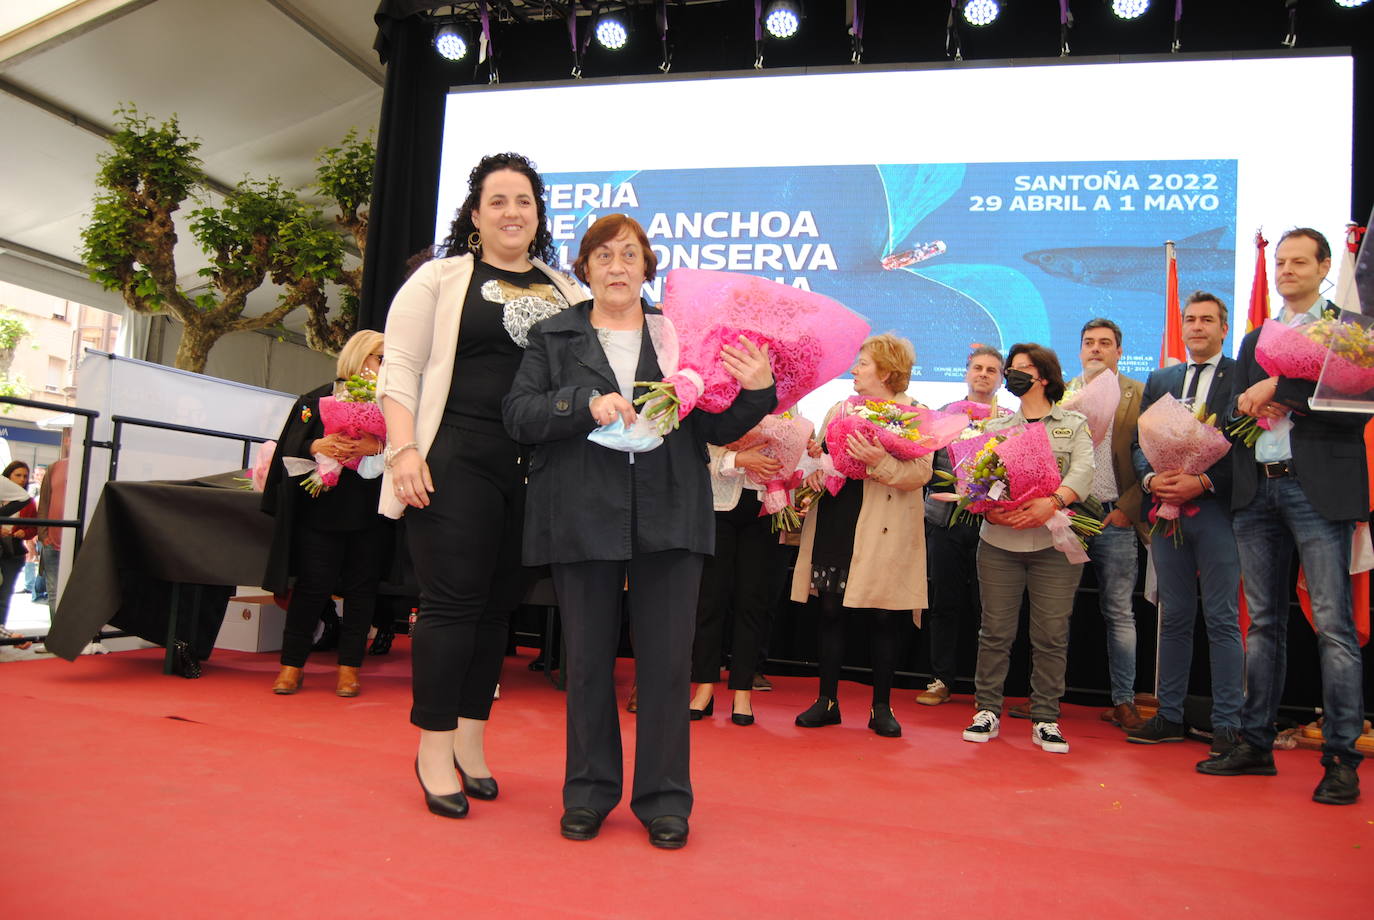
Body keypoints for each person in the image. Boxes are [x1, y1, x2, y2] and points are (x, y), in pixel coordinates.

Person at [504, 214, 775, 849]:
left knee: (665, 666)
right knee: (589, 664)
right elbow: (518, 415)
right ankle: (588, 792)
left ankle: (663, 799)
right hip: (581, 514)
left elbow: (711, 425)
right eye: (603, 255)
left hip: (671, 513)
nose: (618, 266)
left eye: (630, 254)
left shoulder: (682, 336)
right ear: (586, 268)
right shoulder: (553, 335)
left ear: (647, 266)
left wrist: (758, 392)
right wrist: (581, 404)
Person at [380, 153, 587, 820]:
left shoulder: (568, 293)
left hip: (538, 470)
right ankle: (433, 746)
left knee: (499, 609)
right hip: (453, 458)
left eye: (523, 200)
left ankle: (470, 740)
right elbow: (401, 369)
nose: (510, 212)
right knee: (452, 605)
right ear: (475, 215)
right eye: (497, 201)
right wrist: (403, 449)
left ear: (538, 214)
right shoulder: (439, 281)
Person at [1199, 228, 1366, 805]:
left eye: (1300, 261)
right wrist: (1251, 398)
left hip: (1317, 491)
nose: (1288, 269)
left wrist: (1283, 388)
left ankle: (1342, 756)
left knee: (1333, 625)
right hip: (1257, 492)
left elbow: (1354, 409)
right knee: (1264, 624)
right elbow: (1229, 413)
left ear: (1325, 268)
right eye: (1281, 261)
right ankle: (1254, 743)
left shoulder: (1347, 330)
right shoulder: (1255, 337)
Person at [792, 334, 933, 739]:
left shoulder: (916, 414)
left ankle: (882, 707)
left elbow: (920, 474)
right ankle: (827, 701)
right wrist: (815, 466)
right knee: (831, 611)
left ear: (886, 372)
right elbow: (820, 457)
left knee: (885, 617)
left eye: (863, 363)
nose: (854, 369)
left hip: (885, 523)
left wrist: (881, 461)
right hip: (838, 515)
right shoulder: (840, 407)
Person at [962, 343, 1093, 754]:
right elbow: (975, 481)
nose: (1013, 376)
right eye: (1012, 370)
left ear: (1046, 378)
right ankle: (987, 708)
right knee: (995, 631)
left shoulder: (1072, 424)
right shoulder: (997, 426)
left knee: (1051, 634)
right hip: (1000, 543)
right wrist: (987, 510)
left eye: (1023, 369)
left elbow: (1085, 471)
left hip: (1054, 543)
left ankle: (1046, 717)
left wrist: (1053, 501)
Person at [1128, 292, 1243, 756]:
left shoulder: (1242, 375)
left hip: (1216, 511)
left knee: (1222, 618)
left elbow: (1246, 444)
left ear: (1223, 328)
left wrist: (1204, 481)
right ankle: (1169, 715)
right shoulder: (1162, 378)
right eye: (1190, 319)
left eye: (1207, 320)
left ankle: (1229, 724)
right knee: (1172, 616)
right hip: (1166, 509)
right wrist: (1153, 477)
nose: (1197, 327)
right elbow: (1140, 441)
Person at [261, 330, 388, 697]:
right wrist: (320, 443)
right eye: (382, 358)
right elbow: (291, 444)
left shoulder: (395, 403)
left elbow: (407, 448)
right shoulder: (316, 399)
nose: (387, 366)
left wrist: (376, 444)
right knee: (312, 589)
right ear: (359, 357)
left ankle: (349, 669)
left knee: (363, 590)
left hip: (370, 509)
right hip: (321, 509)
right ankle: (291, 666)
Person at [1041, 319, 1146, 730]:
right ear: (1080, 350)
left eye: (1105, 343)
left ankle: (1123, 701)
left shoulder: (1140, 393)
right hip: (1069, 516)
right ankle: (1047, 700)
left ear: (1119, 351)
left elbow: (1149, 455)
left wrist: (1128, 507)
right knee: (1055, 611)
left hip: (1116, 516)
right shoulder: (1060, 395)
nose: (1096, 349)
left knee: (1119, 611)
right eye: (1089, 343)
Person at [920, 345, 1009, 706]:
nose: (984, 374)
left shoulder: (1010, 421)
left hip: (993, 524)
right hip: (947, 522)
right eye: (978, 368)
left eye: (992, 370)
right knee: (945, 601)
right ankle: (940, 679)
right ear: (966, 373)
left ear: (1002, 379)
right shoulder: (943, 415)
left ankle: (986, 688)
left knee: (989, 608)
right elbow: (928, 469)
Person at [688, 437, 786, 726]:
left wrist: (805, 456)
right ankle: (704, 686)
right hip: (718, 504)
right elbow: (698, 446)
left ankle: (743, 691)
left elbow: (791, 450)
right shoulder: (718, 395)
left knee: (752, 602)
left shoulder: (783, 402)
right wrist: (737, 459)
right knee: (710, 600)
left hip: (764, 506)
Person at [0, 461, 38, 648]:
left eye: (25, 476)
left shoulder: (28, 501)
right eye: (18, 475)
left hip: (13, 551)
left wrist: (24, 532)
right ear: (8, 476)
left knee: (5, 595)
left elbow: (33, 527)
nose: (22, 479)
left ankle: (3, 633)